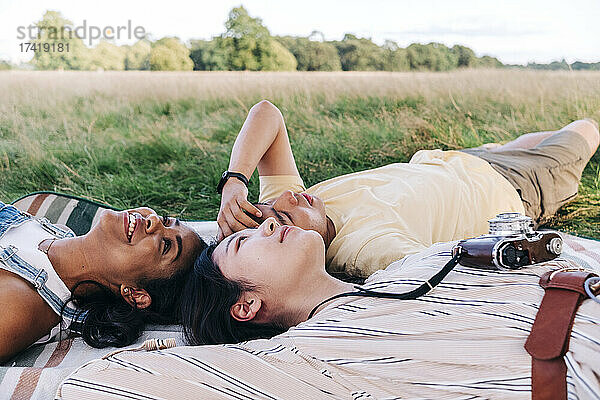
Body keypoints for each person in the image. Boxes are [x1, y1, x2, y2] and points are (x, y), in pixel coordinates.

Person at [57, 217, 600, 399]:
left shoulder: (417, 264)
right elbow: (97, 385)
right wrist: (175, 345)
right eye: (246, 243)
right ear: (246, 304)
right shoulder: (308, 359)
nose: (268, 224)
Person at [217, 100, 599, 277]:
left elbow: (266, 113)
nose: (287, 197)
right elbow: (433, 269)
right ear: (290, 239)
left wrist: (235, 182)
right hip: (510, 187)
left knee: (530, 139)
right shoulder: (365, 248)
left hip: (450, 160)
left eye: (272, 202)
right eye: (283, 215)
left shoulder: (296, 208)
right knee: (585, 129)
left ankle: (521, 145)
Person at [0, 200, 205, 363]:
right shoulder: (57, 234)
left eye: (165, 245)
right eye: (166, 220)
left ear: (135, 295)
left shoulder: (22, 306)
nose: (154, 220)